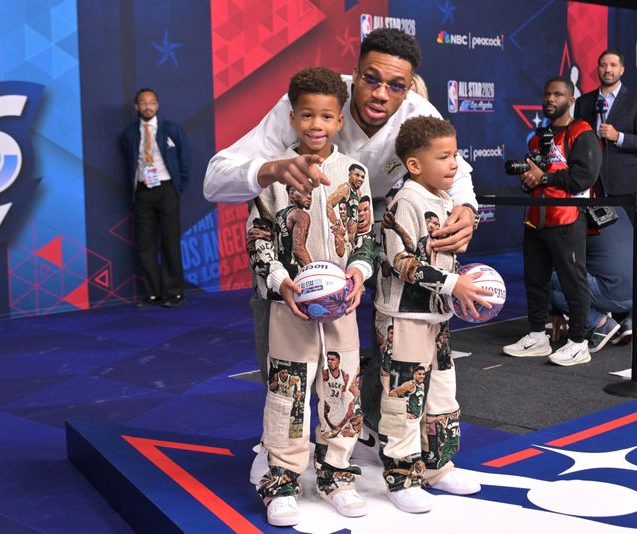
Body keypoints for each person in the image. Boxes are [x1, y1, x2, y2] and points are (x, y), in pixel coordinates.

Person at [205, 28, 479, 473]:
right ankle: (275, 444)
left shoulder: (415, 110)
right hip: (300, 239)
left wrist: (467, 208)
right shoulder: (314, 100)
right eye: (371, 79)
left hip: (365, 237)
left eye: (395, 85)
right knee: (281, 324)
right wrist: (272, 167)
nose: (381, 93)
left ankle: (363, 427)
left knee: (379, 332)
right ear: (354, 75)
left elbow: (457, 170)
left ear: (408, 88)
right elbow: (216, 179)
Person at [245, 67, 375, 527]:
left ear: (340, 121)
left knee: (343, 392)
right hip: (290, 305)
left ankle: (337, 475)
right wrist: (281, 281)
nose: (316, 125)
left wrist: (358, 274)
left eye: (326, 116)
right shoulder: (275, 173)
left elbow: (365, 238)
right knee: (287, 394)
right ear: (293, 117)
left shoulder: (354, 174)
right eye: (306, 115)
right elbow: (258, 236)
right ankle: (281, 480)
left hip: (342, 308)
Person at [375, 115, 492, 513]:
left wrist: (460, 286)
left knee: (441, 393)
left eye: (455, 155)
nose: (454, 165)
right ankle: (401, 476)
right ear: (414, 165)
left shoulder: (444, 200)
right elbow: (401, 261)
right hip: (403, 319)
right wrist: (452, 285)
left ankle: (437, 467)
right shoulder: (407, 199)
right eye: (443, 157)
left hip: (435, 319)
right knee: (404, 399)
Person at [503, 77, 602, 366]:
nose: (550, 99)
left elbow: (583, 178)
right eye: (547, 94)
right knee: (535, 279)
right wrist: (528, 179)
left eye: (558, 94)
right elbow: (534, 178)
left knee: (574, 281)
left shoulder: (582, 133)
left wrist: (543, 177)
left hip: (567, 218)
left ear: (571, 100)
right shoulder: (538, 137)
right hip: (536, 218)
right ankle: (537, 335)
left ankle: (579, 342)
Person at [549, 206, 637, 352]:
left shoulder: (574, 216)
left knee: (551, 282)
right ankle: (624, 321)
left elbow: (563, 264)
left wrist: (555, 310)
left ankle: (600, 323)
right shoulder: (619, 208)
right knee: (606, 265)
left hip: (614, 294)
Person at [120, 88, 189, 308]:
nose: (148, 106)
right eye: (143, 102)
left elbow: (184, 161)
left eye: (152, 102)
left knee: (170, 242)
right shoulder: (130, 134)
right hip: (142, 191)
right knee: (145, 244)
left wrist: (177, 187)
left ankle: (174, 292)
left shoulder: (171, 130)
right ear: (136, 107)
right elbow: (128, 160)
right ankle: (151, 293)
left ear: (157, 105)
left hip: (167, 189)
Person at [574, 49, 637, 201]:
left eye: (613, 65)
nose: (608, 70)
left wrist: (619, 137)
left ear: (622, 70)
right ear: (598, 69)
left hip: (623, 185)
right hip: (589, 184)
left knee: (625, 225)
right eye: (603, 65)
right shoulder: (583, 102)